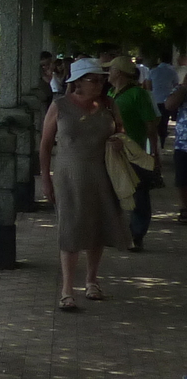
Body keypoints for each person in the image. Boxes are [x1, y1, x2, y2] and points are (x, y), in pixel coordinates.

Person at [40, 57, 129, 310]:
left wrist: (120, 139)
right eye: (93, 79)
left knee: (97, 225)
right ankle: (67, 289)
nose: (99, 84)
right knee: (70, 227)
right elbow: (46, 144)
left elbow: (121, 130)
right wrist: (46, 178)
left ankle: (92, 280)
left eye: (102, 79)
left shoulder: (109, 105)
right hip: (69, 174)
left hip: (103, 172)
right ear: (78, 82)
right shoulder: (60, 106)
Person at [108, 56, 162, 250]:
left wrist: (154, 153)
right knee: (114, 191)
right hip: (113, 151)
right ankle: (117, 233)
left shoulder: (138, 94)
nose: (108, 72)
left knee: (139, 193)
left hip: (135, 151)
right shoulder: (110, 92)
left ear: (119, 73)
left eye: (111, 69)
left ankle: (136, 235)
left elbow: (150, 126)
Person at [167, 80, 187, 225]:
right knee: (182, 179)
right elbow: (169, 105)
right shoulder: (181, 90)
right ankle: (185, 208)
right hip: (183, 143)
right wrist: (184, 87)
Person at [148, 52, 180, 127]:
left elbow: (148, 85)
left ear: (160, 60)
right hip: (166, 99)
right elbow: (176, 85)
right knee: (164, 121)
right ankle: (163, 136)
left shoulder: (153, 71)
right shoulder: (172, 72)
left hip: (155, 99)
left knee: (154, 121)